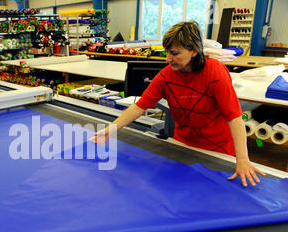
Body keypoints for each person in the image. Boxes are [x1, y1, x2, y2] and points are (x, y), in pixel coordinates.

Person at [91, 21, 265, 187]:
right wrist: (111, 128)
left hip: (217, 150)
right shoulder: (166, 75)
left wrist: (242, 159)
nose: (168, 58)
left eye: (175, 53)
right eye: (167, 52)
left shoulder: (215, 72)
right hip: (182, 145)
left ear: (194, 51)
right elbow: (139, 106)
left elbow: (234, 117)